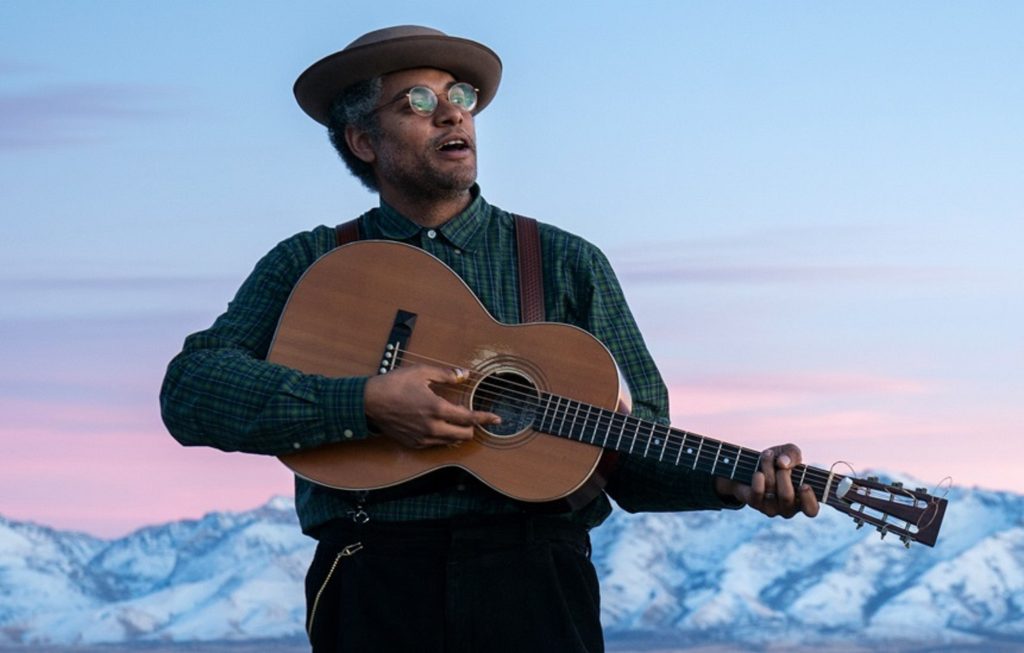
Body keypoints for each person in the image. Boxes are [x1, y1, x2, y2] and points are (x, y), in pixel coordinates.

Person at [160, 25, 819, 653]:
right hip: (372, 578)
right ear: (363, 140)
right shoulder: (309, 262)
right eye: (419, 102)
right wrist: (364, 403)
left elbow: (629, 448)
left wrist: (730, 481)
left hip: (536, 583)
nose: (452, 113)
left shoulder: (564, 262)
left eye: (461, 96)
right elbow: (191, 391)